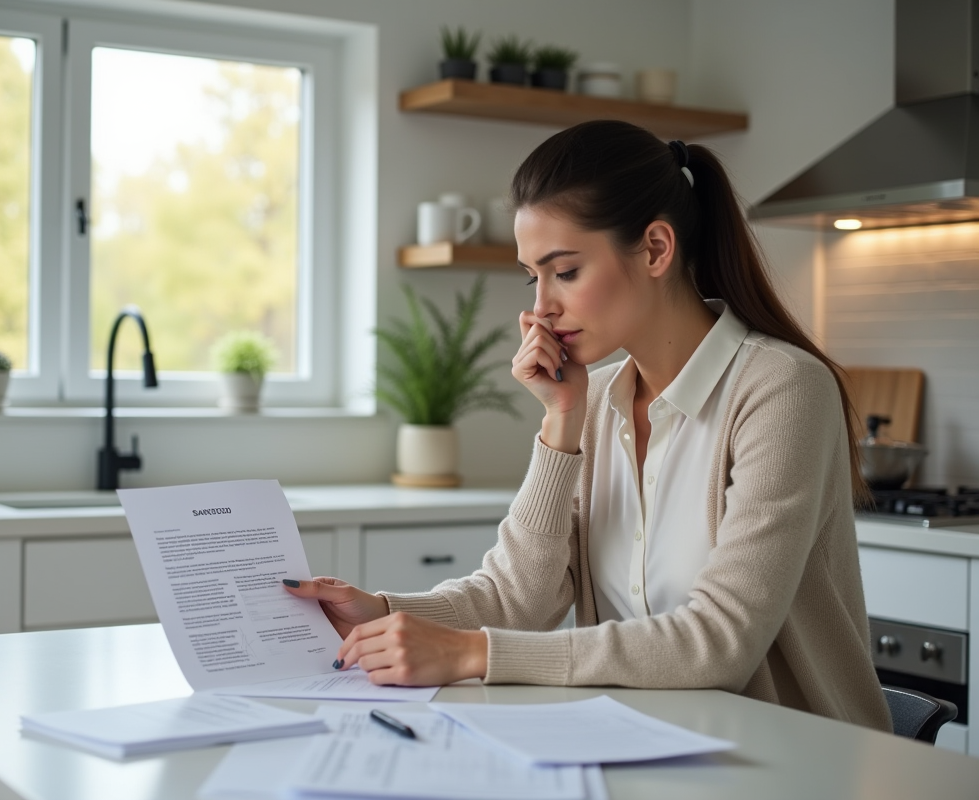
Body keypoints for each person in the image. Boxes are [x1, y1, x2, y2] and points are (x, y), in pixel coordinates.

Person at [283, 120, 892, 731]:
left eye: (565, 271)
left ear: (655, 248)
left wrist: (474, 653)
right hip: (654, 743)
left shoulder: (782, 389)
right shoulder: (595, 400)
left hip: (799, 760)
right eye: (533, 276)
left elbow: (720, 643)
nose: (540, 306)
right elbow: (516, 599)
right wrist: (379, 612)